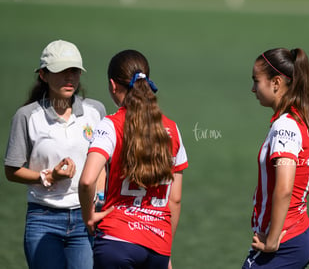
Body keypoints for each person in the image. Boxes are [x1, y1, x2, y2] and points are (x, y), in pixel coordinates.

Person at [78, 49, 188, 269]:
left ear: (112, 85)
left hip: (117, 241)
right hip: (158, 246)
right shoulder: (172, 129)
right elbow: (174, 200)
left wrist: (89, 215)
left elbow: (87, 180)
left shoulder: (111, 125)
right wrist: (165, 249)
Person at [4, 39, 106, 269]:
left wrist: (98, 202)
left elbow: (103, 164)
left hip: (85, 219)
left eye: (75, 71)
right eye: (61, 71)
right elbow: (11, 170)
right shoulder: (26, 116)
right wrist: (48, 177)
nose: (69, 78)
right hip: (43, 219)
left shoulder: (95, 111)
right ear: (44, 75)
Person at [242, 48, 309, 268]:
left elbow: (284, 188)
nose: (252, 89)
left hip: (286, 240)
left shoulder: (285, 126)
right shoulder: (301, 117)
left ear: (276, 82)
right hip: (300, 231)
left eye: (256, 81)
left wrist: (273, 240)